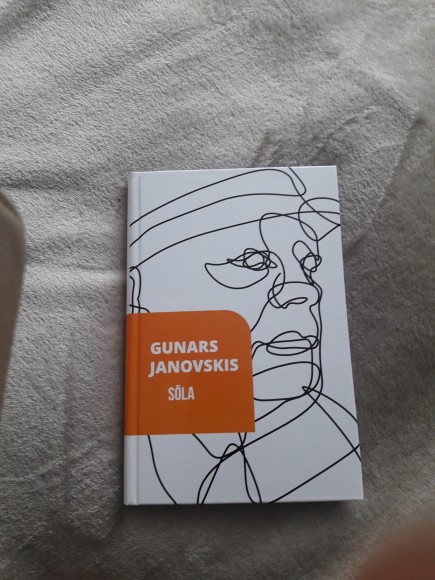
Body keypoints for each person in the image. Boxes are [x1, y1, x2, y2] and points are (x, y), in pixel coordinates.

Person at [128, 168, 361, 503]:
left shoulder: (335, 448)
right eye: (253, 261)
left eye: (308, 264)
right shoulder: (151, 455)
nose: (306, 290)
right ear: (139, 292)